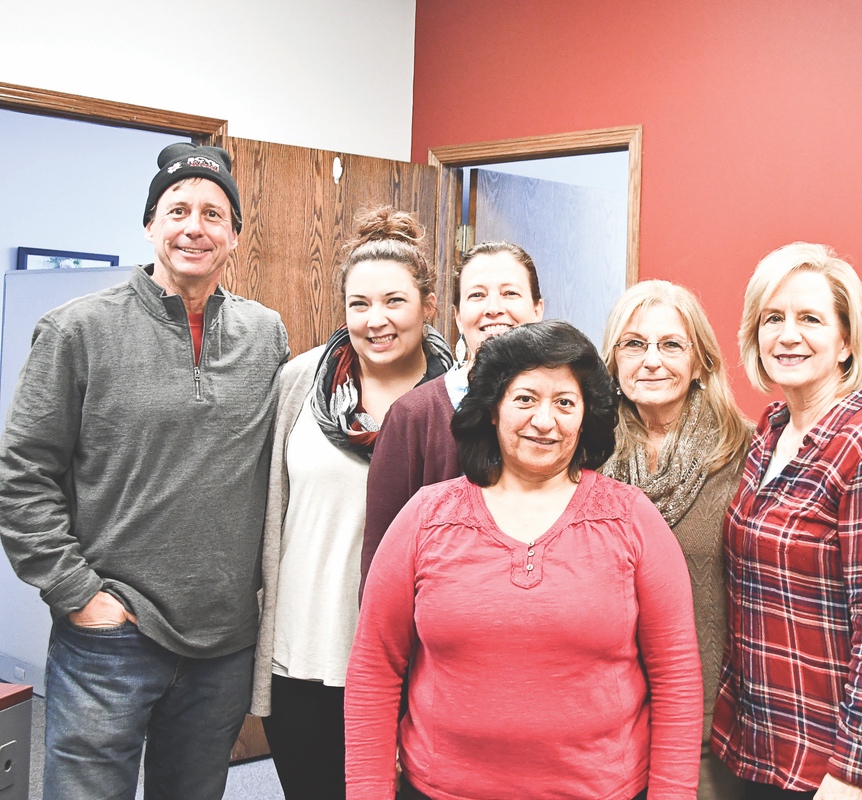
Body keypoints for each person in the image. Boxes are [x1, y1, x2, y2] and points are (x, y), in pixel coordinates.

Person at [0, 142, 288, 799]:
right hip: (109, 641)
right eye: (178, 209)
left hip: (222, 645)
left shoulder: (265, 336)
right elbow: (21, 475)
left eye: (214, 214)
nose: (195, 226)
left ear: (236, 236)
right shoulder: (77, 332)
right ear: (150, 226)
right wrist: (77, 593)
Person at [599, 281, 862, 800]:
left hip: (742, 729)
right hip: (714, 732)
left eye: (671, 345)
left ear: (701, 362)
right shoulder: (585, 457)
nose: (651, 361)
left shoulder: (740, 449)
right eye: (633, 344)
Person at [345, 320, 704, 799]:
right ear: (493, 410)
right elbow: (374, 666)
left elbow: (676, 677)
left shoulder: (633, 519)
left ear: (585, 417)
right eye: (525, 399)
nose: (544, 420)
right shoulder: (426, 516)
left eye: (565, 403)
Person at [711, 243, 862, 800]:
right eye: (772, 318)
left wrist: (850, 777)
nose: (787, 335)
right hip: (761, 742)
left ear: (847, 341)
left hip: (831, 761)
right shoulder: (770, 432)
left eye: (810, 318)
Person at [250, 207, 452, 798]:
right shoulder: (299, 382)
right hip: (300, 651)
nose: (376, 320)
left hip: (408, 659)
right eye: (359, 304)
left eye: (395, 301)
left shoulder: (459, 401)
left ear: (428, 306)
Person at [362, 241, 544, 581]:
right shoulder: (413, 417)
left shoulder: (567, 412)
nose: (493, 309)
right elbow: (383, 561)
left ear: (538, 309)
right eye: (477, 296)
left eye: (510, 294)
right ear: (458, 316)